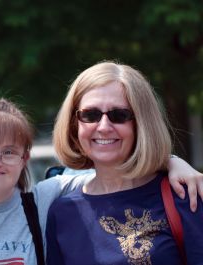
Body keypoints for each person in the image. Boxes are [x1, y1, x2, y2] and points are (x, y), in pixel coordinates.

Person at [0, 98, 203, 265]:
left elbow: (113, 172)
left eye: (9, 151)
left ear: (24, 159)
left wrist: (170, 161)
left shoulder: (43, 199)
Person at [46, 61, 203, 264]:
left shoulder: (185, 196)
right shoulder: (62, 212)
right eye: (90, 115)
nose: (103, 127)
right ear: (74, 123)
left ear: (142, 124)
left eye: (119, 115)